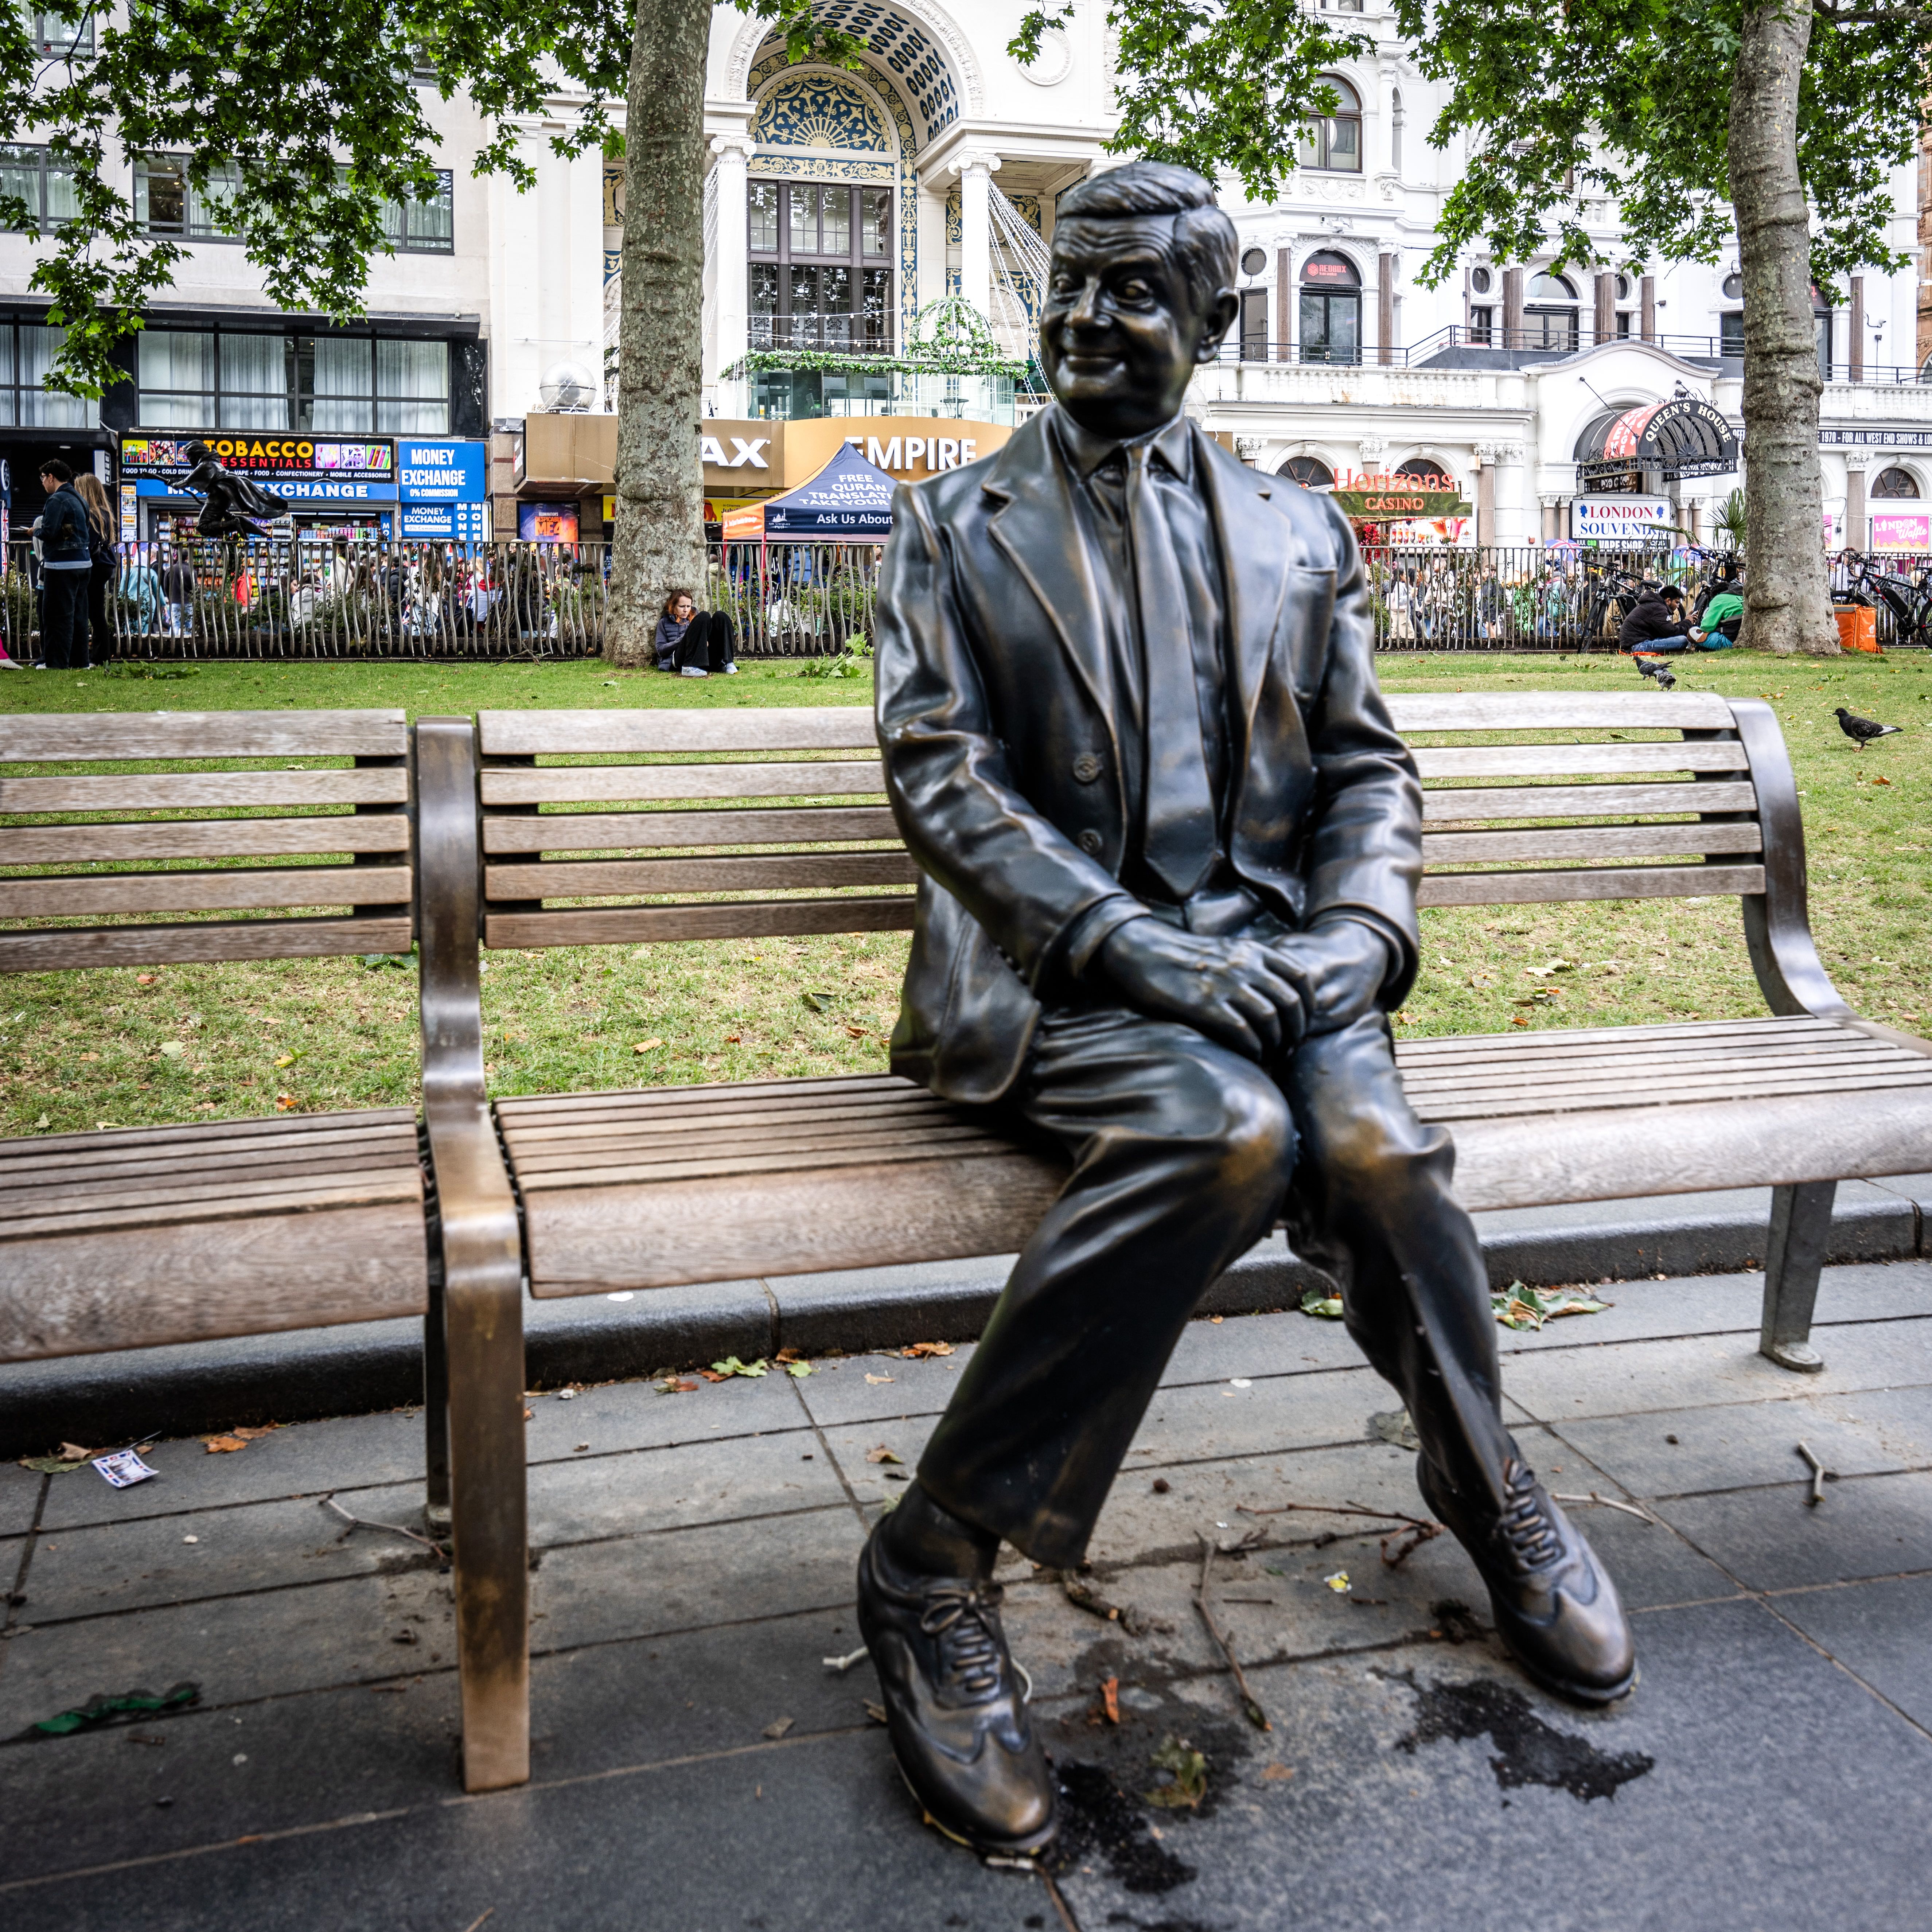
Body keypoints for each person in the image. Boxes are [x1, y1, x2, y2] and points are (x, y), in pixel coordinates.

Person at [866, 159, 1633, 1860]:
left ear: (1211, 320)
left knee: (1368, 1146)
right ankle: (929, 1557)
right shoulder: (951, 526)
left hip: (1283, 960)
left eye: (1133, 292)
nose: (1085, 318)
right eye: (1068, 285)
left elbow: (1365, 766)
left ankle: (1480, 1474)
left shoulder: (1298, 527)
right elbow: (942, 781)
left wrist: (1364, 926)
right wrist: (1139, 948)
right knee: (1226, 1131)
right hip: (1067, 980)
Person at [35, 460, 93, 669]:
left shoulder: (57, 500)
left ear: (52, 477)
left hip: (61, 566)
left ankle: (56, 663)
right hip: (83, 563)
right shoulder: (80, 499)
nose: (43, 483)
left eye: (43, 478)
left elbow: (50, 532)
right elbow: (79, 530)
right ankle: (81, 661)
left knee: (56, 616)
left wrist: (35, 531)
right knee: (79, 615)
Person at [74, 471, 118, 659]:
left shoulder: (91, 515)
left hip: (93, 565)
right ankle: (101, 655)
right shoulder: (105, 513)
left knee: (87, 611)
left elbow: (88, 543)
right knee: (97, 611)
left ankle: (93, 655)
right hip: (104, 564)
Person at [653, 589, 739, 675]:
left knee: (720, 616)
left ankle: (729, 663)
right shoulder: (665, 622)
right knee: (704, 616)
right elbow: (661, 650)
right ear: (673, 606)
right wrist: (685, 639)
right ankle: (689, 667)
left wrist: (703, 641)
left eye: (688, 606)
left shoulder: (696, 617)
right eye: (682, 606)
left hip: (704, 660)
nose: (686, 610)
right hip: (680, 660)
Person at [1618, 580, 1693, 653]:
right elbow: (1671, 632)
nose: (1678, 606)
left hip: (1635, 644)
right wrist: (1688, 622)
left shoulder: (1654, 605)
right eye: (1677, 603)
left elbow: (1666, 629)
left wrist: (1685, 622)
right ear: (1668, 601)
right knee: (1683, 640)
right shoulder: (1659, 608)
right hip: (1637, 646)